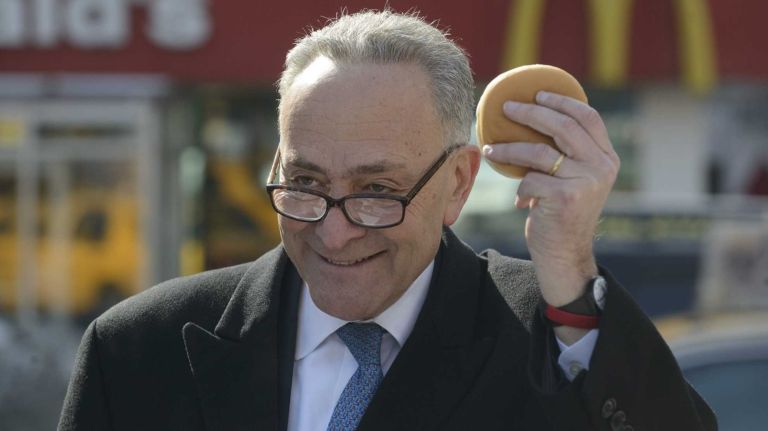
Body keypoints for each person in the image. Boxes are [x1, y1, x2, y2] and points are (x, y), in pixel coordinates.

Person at [59, 10, 716, 431]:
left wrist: (569, 267)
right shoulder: (139, 354)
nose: (334, 231)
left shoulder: (551, 344)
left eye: (377, 190)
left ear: (458, 181)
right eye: (306, 183)